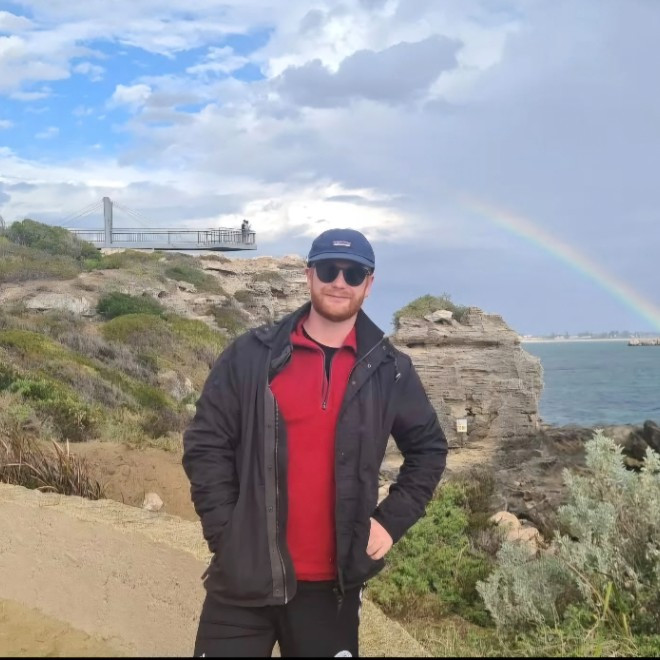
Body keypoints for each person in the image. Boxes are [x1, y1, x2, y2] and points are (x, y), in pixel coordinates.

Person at [182, 228, 447, 657]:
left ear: (369, 284)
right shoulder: (252, 355)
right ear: (309, 275)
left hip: (332, 591)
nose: (339, 282)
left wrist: (390, 522)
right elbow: (205, 443)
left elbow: (429, 450)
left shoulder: (391, 369)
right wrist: (226, 534)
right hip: (242, 578)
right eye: (328, 270)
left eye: (353, 273)